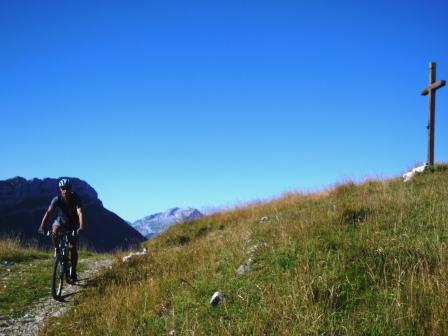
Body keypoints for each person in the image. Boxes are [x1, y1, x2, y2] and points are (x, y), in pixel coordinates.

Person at [38, 178, 85, 282]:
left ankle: (73, 271)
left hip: (73, 224)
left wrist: (81, 227)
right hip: (60, 221)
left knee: (72, 248)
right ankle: (57, 249)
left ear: (70, 189)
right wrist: (42, 226)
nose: (65, 191)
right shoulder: (57, 199)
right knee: (54, 231)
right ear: (60, 189)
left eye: (67, 188)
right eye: (63, 188)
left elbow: (80, 212)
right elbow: (48, 212)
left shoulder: (75, 197)